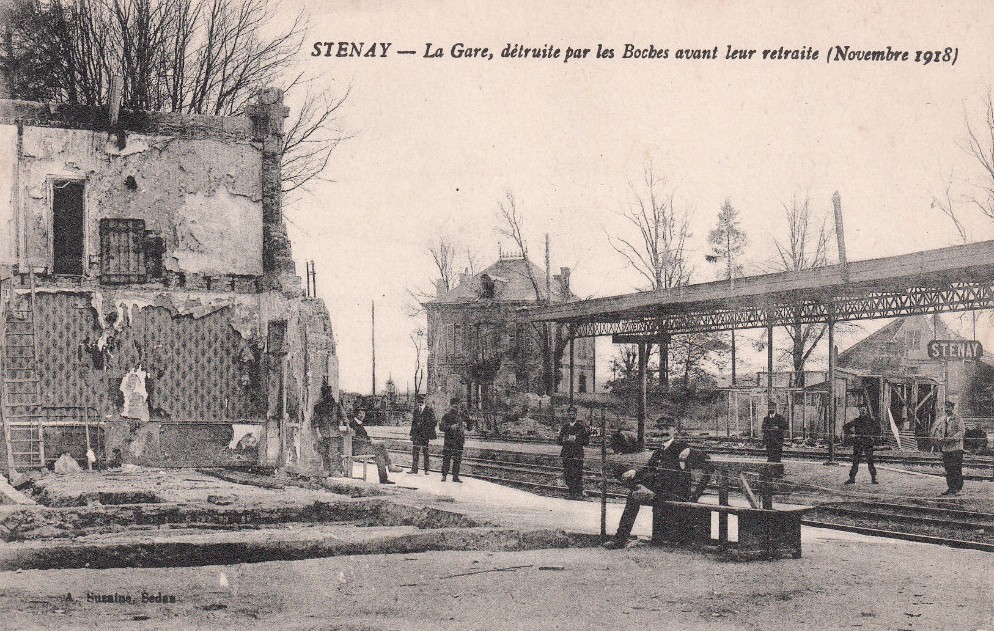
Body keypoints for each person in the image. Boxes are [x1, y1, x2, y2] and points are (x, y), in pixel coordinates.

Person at [603, 419, 712, 549]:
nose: (663, 432)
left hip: (674, 493)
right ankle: (620, 538)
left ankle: (620, 539)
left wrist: (690, 451)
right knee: (631, 490)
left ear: (674, 430)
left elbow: (707, 459)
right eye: (660, 429)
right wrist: (634, 472)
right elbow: (649, 468)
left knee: (634, 496)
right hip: (659, 492)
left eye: (667, 428)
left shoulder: (681, 447)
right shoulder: (659, 450)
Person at [348, 409, 395, 485]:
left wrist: (370, 439)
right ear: (356, 414)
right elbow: (356, 439)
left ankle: (383, 479)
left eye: (363, 413)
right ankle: (390, 465)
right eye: (360, 413)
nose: (362, 415)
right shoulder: (353, 424)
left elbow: (364, 436)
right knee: (381, 446)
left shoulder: (359, 423)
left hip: (363, 448)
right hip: (357, 450)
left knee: (380, 456)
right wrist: (370, 441)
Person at [931, 400, 965, 496]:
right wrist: (939, 438)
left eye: (948, 407)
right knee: (948, 469)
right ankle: (951, 488)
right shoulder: (942, 420)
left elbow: (961, 432)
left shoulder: (958, 419)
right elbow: (939, 431)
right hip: (946, 449)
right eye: (945, 407)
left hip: (956, 448)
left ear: (952, 408)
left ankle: (958, 489)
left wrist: (951, 439)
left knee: (956, 469)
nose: (946, 409)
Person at [557, 406, 590, 499]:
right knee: (567, 474)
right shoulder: (565, 427)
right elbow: (559, 441)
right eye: (570, 414)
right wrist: (565, 439)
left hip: (577, 453)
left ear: (576, 415)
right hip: (566, 454)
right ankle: (571, 493)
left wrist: (576, 440)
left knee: (577, 474)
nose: (571, 416)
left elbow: (586, 442)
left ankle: (578, 494)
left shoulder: (581, 427)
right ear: (567, 415)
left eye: (573, 414)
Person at [843, 405, 880, 485]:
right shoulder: (856, 421)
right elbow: (845, 427)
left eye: (864, 410)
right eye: (861, 410)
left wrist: (873, 438)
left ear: (866, 411)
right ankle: (852, 478)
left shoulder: (871, 421)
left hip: (868, 443)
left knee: (870, 461)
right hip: (858, 443)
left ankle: (873, 478)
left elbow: (878, 430)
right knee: (855, 461)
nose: (862, 412)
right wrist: (851, 434)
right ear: (859, 411)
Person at [440, 397, 471, 482]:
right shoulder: (446, 416)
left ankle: (455, 477)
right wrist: (450, 427)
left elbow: (470, 427)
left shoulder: (463, 415)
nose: (456, 407)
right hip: (449, 440)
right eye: (454, 405)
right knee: (447, 458)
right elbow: (441, 427)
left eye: (457, 405)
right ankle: (444, 475)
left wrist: (467, 424)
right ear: (451, 406)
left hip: (459, 440)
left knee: (457, 459)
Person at [409, 394, 437, 474]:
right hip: (417, 435)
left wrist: (425, 426)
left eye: (422, 401)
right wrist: (412, 434)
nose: (420, 402)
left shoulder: (429, 410)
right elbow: (413, 423)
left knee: (425, 452)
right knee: (415, 452)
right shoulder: (416, 411)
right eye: (419, 401)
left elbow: (434, 422)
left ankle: (427, 470)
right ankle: (414, 469)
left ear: (424, 401)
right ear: (417, 402)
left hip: (425, 434)